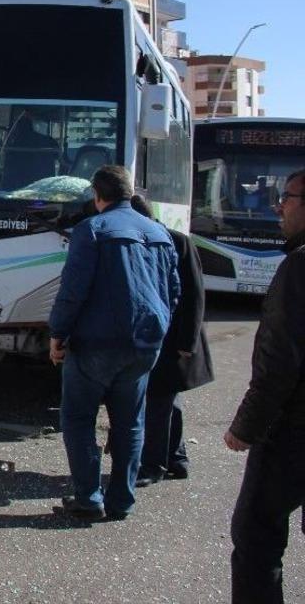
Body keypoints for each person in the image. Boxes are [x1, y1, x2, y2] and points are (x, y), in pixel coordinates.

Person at [48, 165, 179, 521]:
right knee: (130, 422)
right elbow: (173, 292)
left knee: (78, 418)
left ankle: (89, 497)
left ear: (97, 194)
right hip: (144, 344)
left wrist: (57, 334)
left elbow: (72, 291)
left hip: (96, 343)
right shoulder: (159, 232)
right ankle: (122, 500)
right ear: (130, 192)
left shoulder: (91, 230)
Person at [225, 168, 305, 603]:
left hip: (292, 432)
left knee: (256, 533)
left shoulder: (300, 266)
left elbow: (280, 360)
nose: (279, 206)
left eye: (288, 197)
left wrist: (246, 427)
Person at [130, 196, 214, 487]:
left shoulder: (178, 242)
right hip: (166, 338)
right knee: (169, 400)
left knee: (157, 401)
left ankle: (153, 464)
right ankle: (177, 457)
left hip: (174, 339)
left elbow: (194, 294)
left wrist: (186, 342)